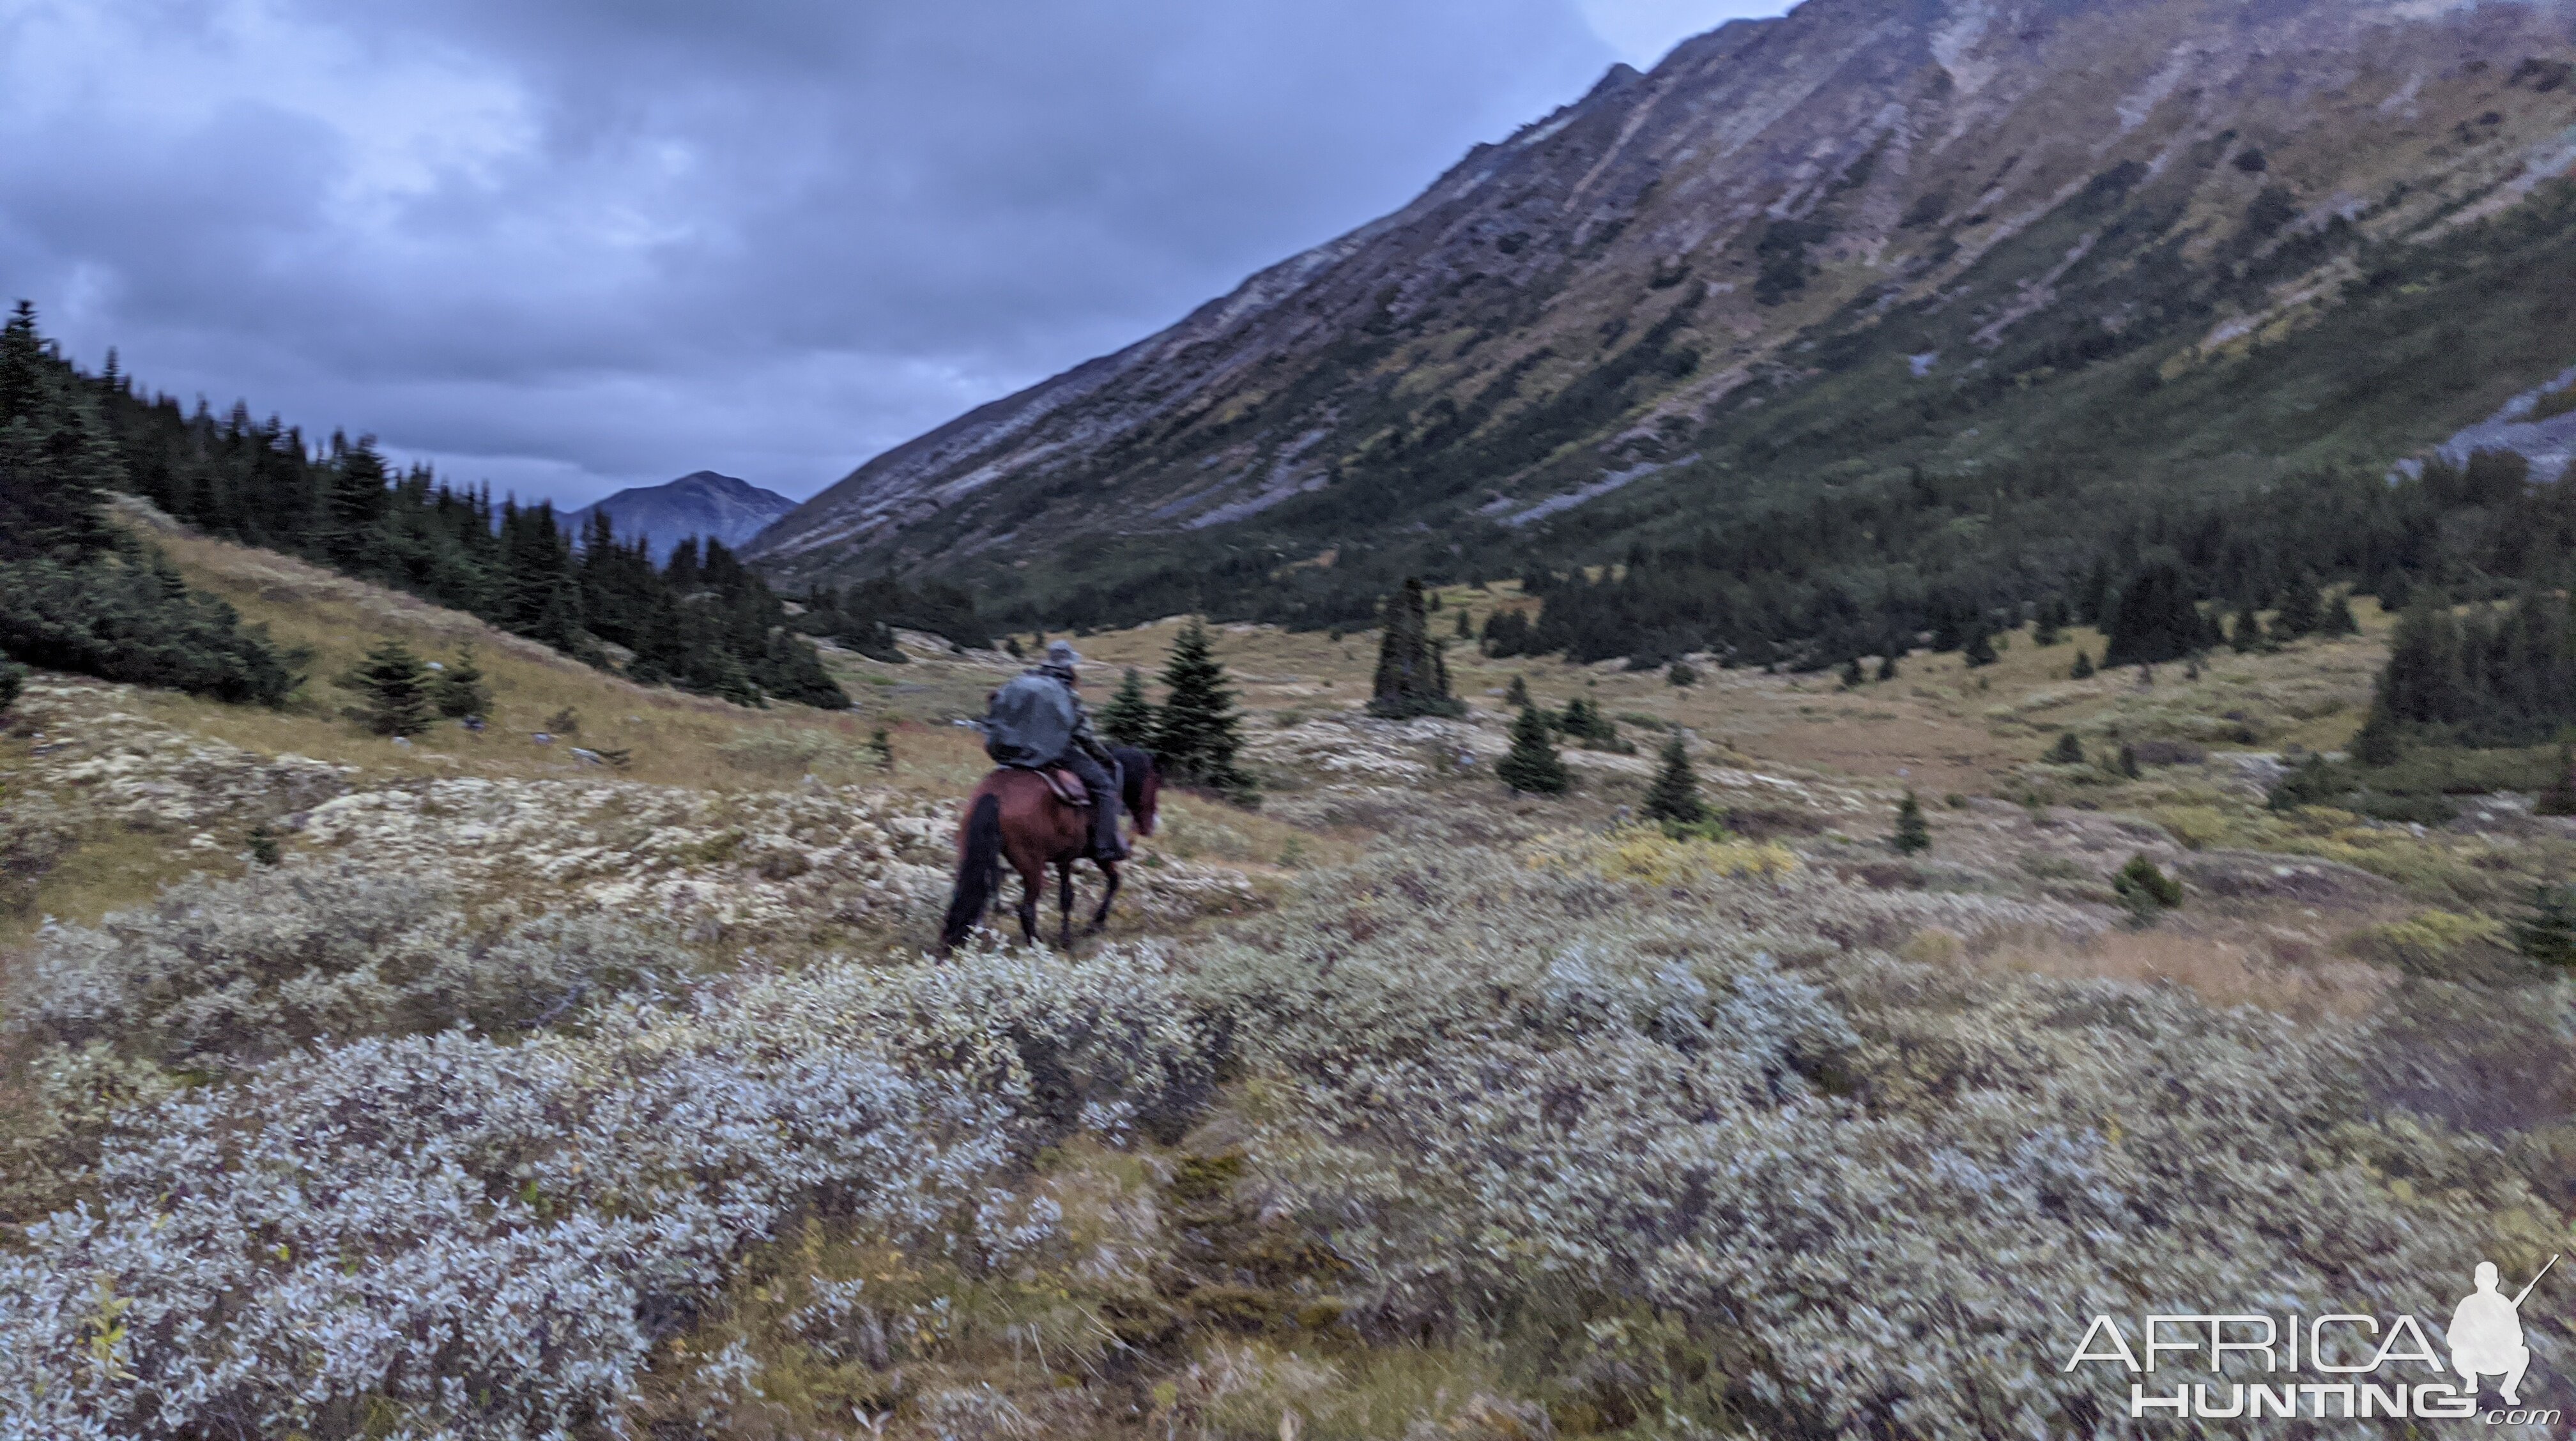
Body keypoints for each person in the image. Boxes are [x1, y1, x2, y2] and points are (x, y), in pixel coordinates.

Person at [981, 640, 1128, 860]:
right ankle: (1105, 846)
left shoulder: (1024, 682)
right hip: (1055, 753)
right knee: (1105, 788)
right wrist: (1104, 757)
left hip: (1016, 753)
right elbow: (1083, 735)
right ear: (1069, 666)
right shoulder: (1067, 694)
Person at [2450, 1261, 2533, 1405]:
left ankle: (2509, 1390)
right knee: (2459, 1352)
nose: (2486, 1282)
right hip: (2472, 1359)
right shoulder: (2467, 1304)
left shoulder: (2505, 1304)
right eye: (2483, 1278)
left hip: (2496, 1359)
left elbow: (2518, 1337)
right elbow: (2452, 1337)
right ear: (2476, 1281)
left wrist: (2501, 1336)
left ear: (2496, 1281)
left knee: (2523, 1353)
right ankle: (2471, 1379)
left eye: (2489, 1278)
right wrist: (2474, 1336)